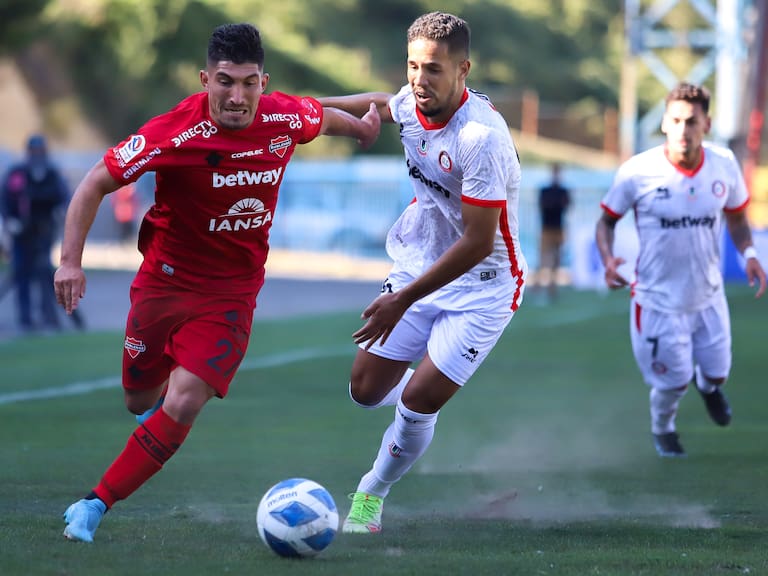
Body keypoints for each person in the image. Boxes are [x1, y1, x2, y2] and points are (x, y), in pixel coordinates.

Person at [54, 22, 380, 543]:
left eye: (249, 83)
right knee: (140, 401)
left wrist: (366, 126)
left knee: (183, 401)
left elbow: (320, 113)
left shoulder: (282, 113)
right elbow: (95, 181)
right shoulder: (172, 133)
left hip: (232, 293)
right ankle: (154, 419)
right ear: (206, 79)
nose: (237, 96)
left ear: (263, 82)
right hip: (162, 283)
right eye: (225, 82)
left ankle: (95, 504)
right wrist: (71, 261)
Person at [318, 11, 526, 534]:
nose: (418, 80)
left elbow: (480, 242)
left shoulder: (479, 138)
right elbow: (379, 106)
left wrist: (402, 299)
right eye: (412, 66)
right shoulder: (413, 102)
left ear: (463, 70)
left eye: (432, 69)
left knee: (414, 403)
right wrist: (302, 110)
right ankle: (434, 384)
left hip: (485, 284)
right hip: (421, 260)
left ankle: (371, 494)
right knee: (364, 390)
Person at [595, 82, 766, 458]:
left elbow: (737, 219)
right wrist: (608, 259)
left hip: (708, 296)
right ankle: (664, 430)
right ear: (664, 124)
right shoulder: (638, 172)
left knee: (717, 374)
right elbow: (606, 222)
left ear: (706, 124)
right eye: (675, 120)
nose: (683, 129)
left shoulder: (723, 165)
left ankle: (710, 388)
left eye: (692, 121)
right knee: (672, 383)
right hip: (657, 302)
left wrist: (750, 253)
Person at [1, 134, 84, 331]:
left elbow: (65, 198)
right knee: (21, 273)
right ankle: (26, 319)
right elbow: (5, 199)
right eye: (34, 152)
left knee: (45, 272)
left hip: (44, 232)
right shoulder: (17, 174)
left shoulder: (52, 174)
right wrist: (10, 222)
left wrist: (63, 214)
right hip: (21, 233)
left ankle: (50, 317)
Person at [536, 162, 570, 301]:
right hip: (547, 228)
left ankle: (552, 287)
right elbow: (546, 205)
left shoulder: (562, 190)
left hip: (558, 228)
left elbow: (565, 205)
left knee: (556, 259)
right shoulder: (546, 190)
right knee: (544, 259)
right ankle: (538, 286)